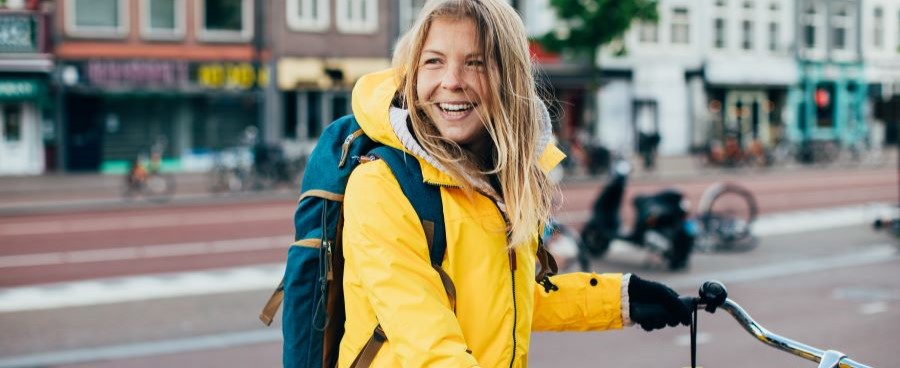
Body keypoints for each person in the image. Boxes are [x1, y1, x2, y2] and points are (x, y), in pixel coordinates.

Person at [338, 1, 691, 366]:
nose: (452, 81)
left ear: (508, 79)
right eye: (434, 61)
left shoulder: (496, 183)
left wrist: (621, 298)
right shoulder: (381, 187)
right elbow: (429, 346)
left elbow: (508, 298)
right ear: (411, 73)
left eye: (475, 62)